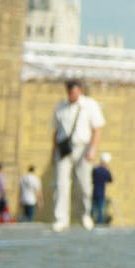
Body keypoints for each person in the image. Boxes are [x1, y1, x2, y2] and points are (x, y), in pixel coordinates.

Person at [51, 79, 106, 231]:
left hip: (83, 148)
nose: (72, 94)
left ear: (80, 91)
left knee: (84, 184)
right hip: (63, 149)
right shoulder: (60, 107)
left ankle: (85, 215)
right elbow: (55, 132)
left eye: (74, 91)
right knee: (61, 184)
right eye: (69, 92)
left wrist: (92, 150)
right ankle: (61, 218)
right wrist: (53, 152)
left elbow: (97, 129)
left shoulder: (89, 105)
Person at [90, 153, 114, 225]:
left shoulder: (95, 169)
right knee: (100, 209)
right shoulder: (104, 171)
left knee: (94, 209)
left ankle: (93, 221)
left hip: (95, 192)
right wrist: (107, 169)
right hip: (100, 193)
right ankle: (99, 222)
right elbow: (110, 179)